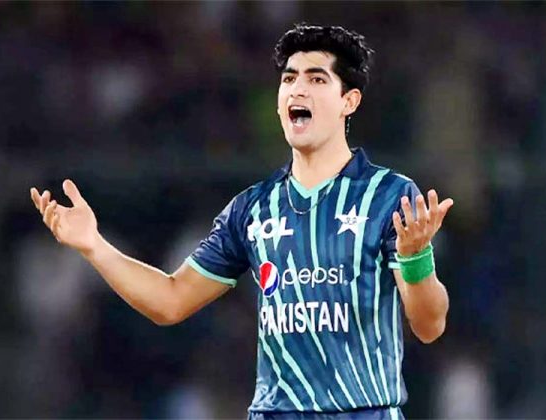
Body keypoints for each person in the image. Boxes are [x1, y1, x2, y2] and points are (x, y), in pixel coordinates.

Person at [30, 23, 453, 420]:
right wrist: (94, 245)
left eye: (316, 79)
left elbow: (429, 326)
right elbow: (170, 301)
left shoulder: (389, 196)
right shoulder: (251, 209)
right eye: (289, 78)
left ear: (349, 101)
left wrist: (416, 259)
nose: (298, 89)